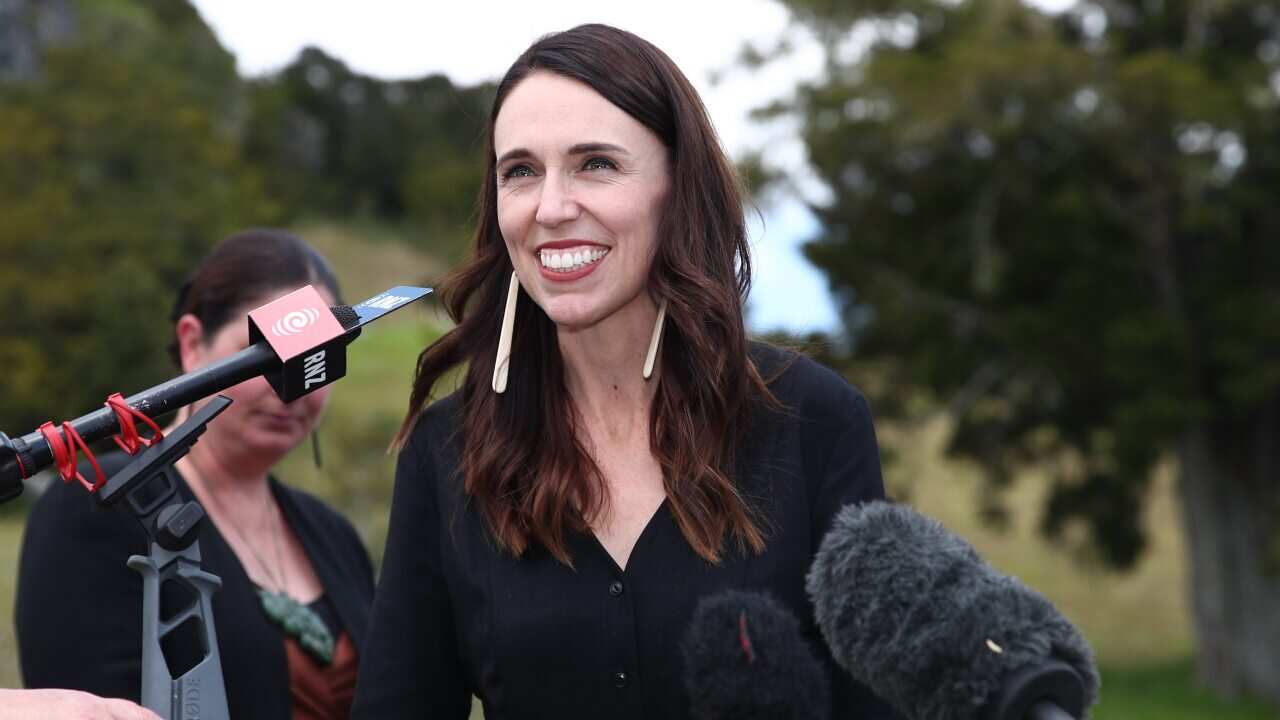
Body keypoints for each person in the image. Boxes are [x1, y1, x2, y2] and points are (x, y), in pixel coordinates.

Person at [352, 24, 900, 719]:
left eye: (596, 164)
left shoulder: (813, 421)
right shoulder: (448, 449)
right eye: (520, 171)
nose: (551, 208)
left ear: (677, 186)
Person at [16, 230, 375, 720]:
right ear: (192, 343)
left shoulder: (333, 534)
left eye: (314, 358)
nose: (290, 390)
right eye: (269, 356)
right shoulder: (98, 506)